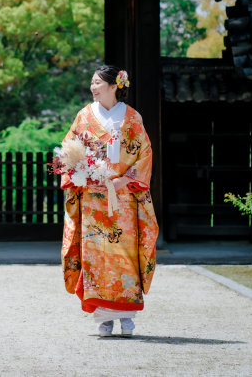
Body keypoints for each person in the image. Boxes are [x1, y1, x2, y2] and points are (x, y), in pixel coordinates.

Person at [61, 65, 158, 337]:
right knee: (95, 256)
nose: (93, 87)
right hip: (92, 199)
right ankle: (104, 319)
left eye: (98, 82)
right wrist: (81, 175)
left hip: (124, 198)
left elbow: (145, 154)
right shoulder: (84, 116)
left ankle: (126, 316)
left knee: (125, 256)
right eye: (92, 82)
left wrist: (123, 180)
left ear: (114, 86)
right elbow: (68, 149)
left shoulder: (133, 118)